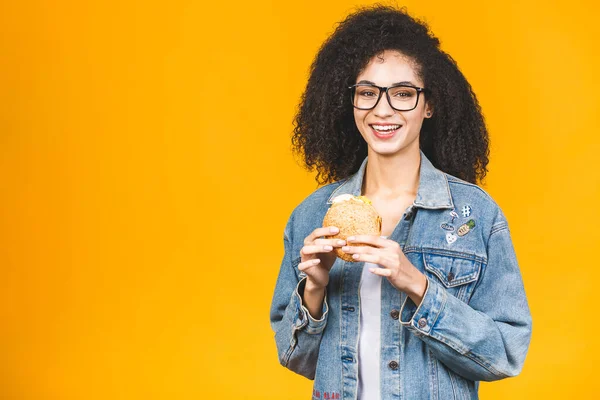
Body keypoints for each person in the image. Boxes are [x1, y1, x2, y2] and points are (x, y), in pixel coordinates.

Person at [269, 5, 532, 399]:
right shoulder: (312, 215)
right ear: (351, 102)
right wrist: (315, 289)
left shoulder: (475, 215)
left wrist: (416, 284)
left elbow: (506, 354)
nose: (383, 109)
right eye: (367, 93)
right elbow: (295, 359)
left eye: (404, 93)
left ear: (430, 105)